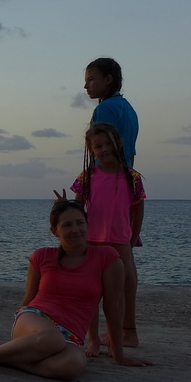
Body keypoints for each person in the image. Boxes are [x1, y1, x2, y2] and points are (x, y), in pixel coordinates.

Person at [0, 199, 153, 380]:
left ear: (88, 225)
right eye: (67, 225)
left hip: (71, 335)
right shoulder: (42, 256)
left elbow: (112, 308)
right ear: (54, 231)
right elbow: (29, 299)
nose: (75, 229)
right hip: (35, 319)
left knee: (73, 365)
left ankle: (2, 357)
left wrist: (119, 355)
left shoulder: (107, 258)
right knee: (52, 338)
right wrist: (20, 322)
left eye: (80, 223)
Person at [70, 122, 145, 349]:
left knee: (116, 295)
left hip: (120, 243)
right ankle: (92, 339)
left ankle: (117, 337)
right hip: (92, 242)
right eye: (98, 146)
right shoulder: (88, 176)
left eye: (107, 144)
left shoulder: (132, 177)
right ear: (91, 150)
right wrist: (63, 207)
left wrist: (131, 241)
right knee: (91, 292)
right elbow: (77, 207)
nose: (104, 149)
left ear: (118, 143)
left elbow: (138, 211)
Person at [84, 57, 138, 167]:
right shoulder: (128, 108)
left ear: (108, 79)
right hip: (126, 173)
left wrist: (97, 175)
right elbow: (131, 153)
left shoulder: (105, 108)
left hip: (108, 174)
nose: (86, 86)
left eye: (91, 80)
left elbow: (103, 152)